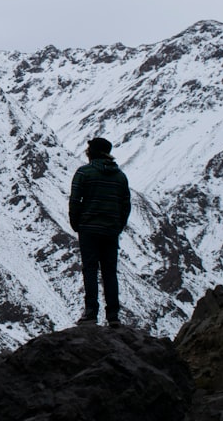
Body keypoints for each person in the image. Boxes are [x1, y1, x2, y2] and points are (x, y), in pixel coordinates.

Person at [68, 137, 132, 328]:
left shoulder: (84, 173)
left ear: (93, 152)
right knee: (109, 271)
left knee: (90, 269)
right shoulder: (120, 176)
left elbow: (74, 201)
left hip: (88, 228)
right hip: (110, 230)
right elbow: (126, 205)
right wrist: (117, 226)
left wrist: (76, 223)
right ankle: (113, 315)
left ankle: (90, 313)